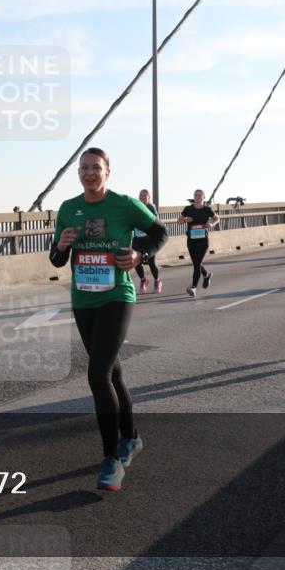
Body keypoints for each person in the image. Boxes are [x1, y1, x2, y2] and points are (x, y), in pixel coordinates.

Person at [50, 148, 168, 491]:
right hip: (83, 299)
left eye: (96, 168)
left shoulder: (126, 204)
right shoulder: (69, 209)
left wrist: (139, 253)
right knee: (112, 370)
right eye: (84, 168)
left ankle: (112, 459)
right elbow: (57, 260)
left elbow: (159, 233)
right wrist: (61, 244)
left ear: (107, 172)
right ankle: (131, 436)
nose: (90, 173)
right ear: (79, 172)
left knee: (98, 374)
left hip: (117, 296)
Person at [176, 189, 219, 297]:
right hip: (191, 240)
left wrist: (211, 225)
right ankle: (206, 275)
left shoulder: (207, 209)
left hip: (203, 241)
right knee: (196, 263)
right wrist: (186, 220)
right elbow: (179, 221)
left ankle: (193, 287)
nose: (197, 196)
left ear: (204, 197)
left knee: (197, 265)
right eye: (195, 195)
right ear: (193, 197)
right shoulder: (188, 209)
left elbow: (217, 218)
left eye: (199, 195)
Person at [133, 189, 163, 294]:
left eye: (145, 195)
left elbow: (155, 221)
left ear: (149, 197)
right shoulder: (135, 207)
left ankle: (157, 281)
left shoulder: (151, 208)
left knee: (151, 262)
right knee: (135, 260)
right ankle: (143, 280)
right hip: (137, 238)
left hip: (149, 239)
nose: (143, 197)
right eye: (141, 195)